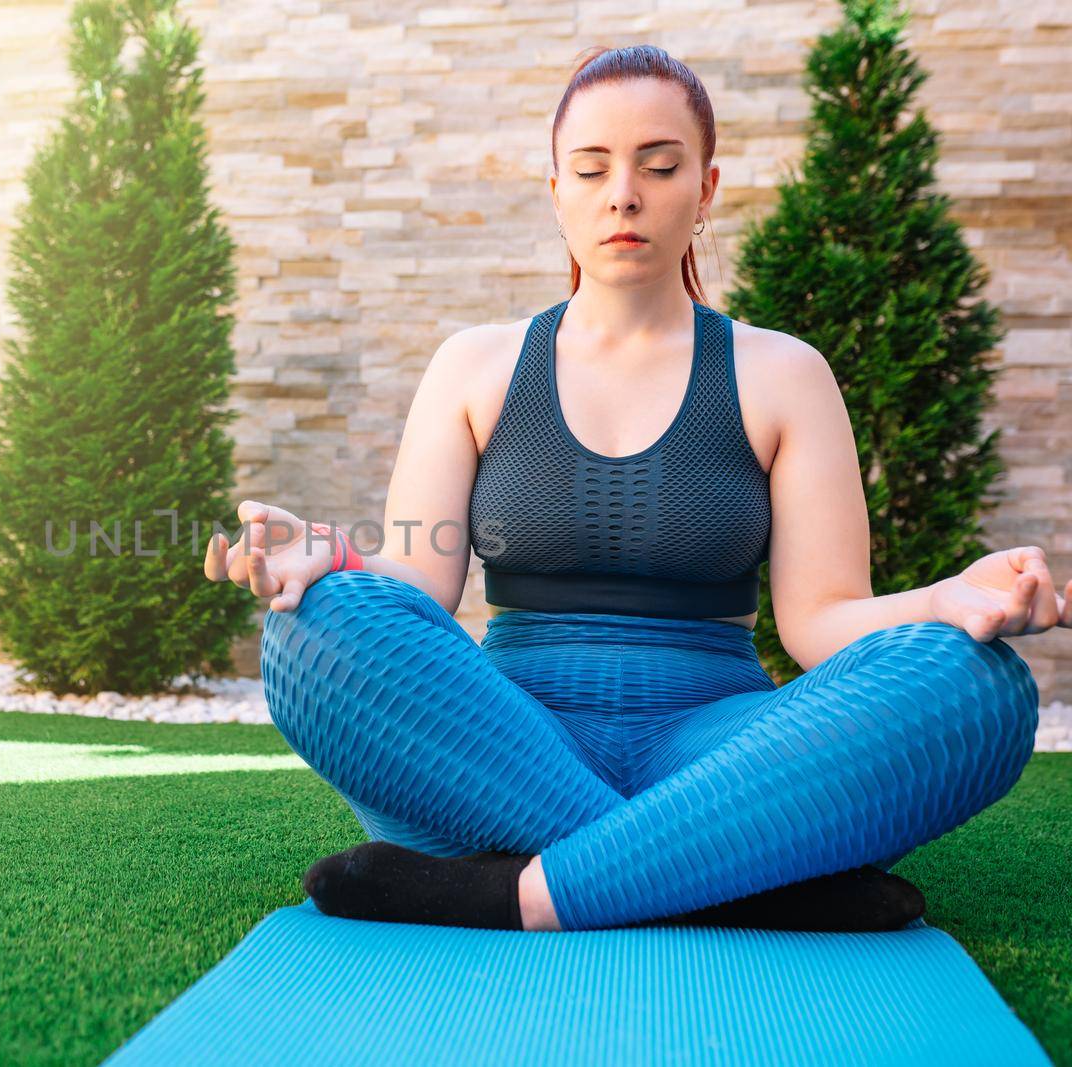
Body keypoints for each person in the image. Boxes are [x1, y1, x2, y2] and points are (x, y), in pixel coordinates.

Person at [201, 45, 1069, 933]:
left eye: (659, 166)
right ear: (556, 193)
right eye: (592, 168)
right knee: (316, 626)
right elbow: (420, 586)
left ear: (706, 187)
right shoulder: (475, 365)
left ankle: (512, 892)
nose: (625, 193)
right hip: (498, 751)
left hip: (718, 751)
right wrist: (337, 563)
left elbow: (821, 622)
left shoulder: (783, 374)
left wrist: (947, 597)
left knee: (977, 683)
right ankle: (737, 873)